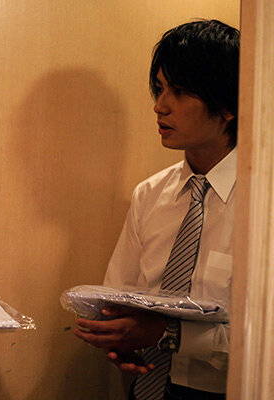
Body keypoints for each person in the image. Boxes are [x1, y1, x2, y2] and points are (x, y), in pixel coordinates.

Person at [74, 20, 239, 400]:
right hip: (148, 387)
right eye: (160, 88)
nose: (160, 106)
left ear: (227, 105)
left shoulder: (263, 203)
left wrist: (168, 334)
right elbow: (121, 293)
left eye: (178, 92)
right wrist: (117, 336)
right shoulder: (151, 193)